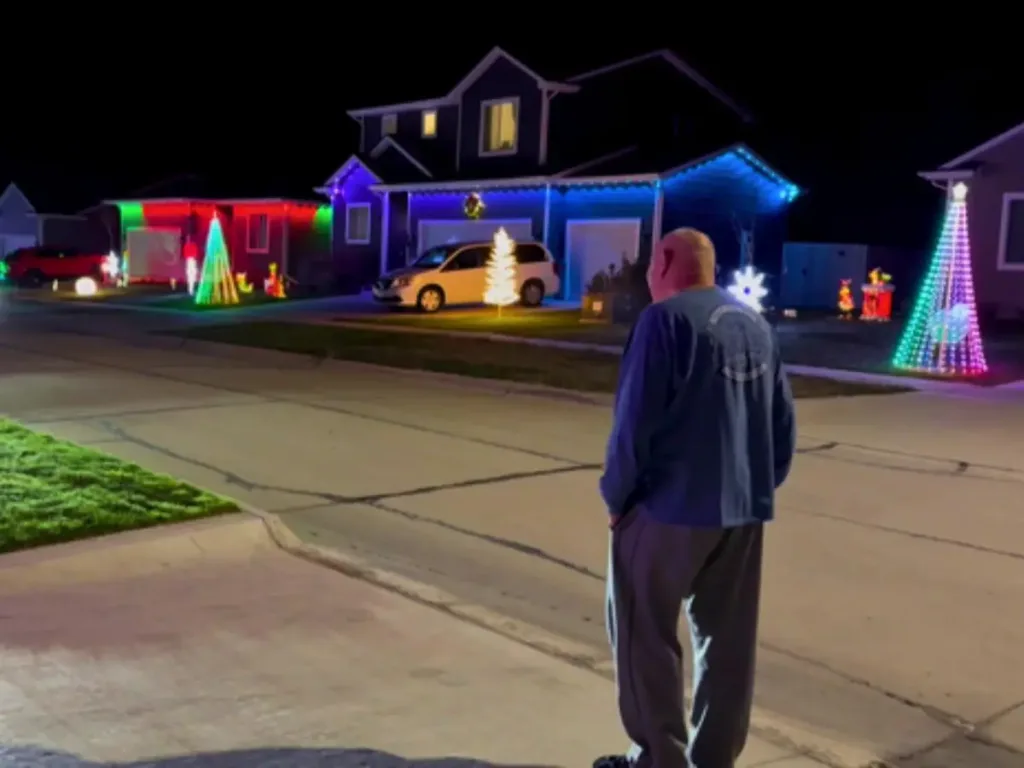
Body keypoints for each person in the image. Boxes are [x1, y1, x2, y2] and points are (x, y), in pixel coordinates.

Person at [594, 228, 796, 768]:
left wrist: (617, 496)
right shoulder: (756, 324)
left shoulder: (663, 322)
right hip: (742, 512)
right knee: (727, 645)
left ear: (663, 261)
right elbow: (782, 426)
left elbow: (634, 424)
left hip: (669, 508)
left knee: (645, 637)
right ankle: (714, 759)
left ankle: (660, 759)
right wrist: (755, 486)